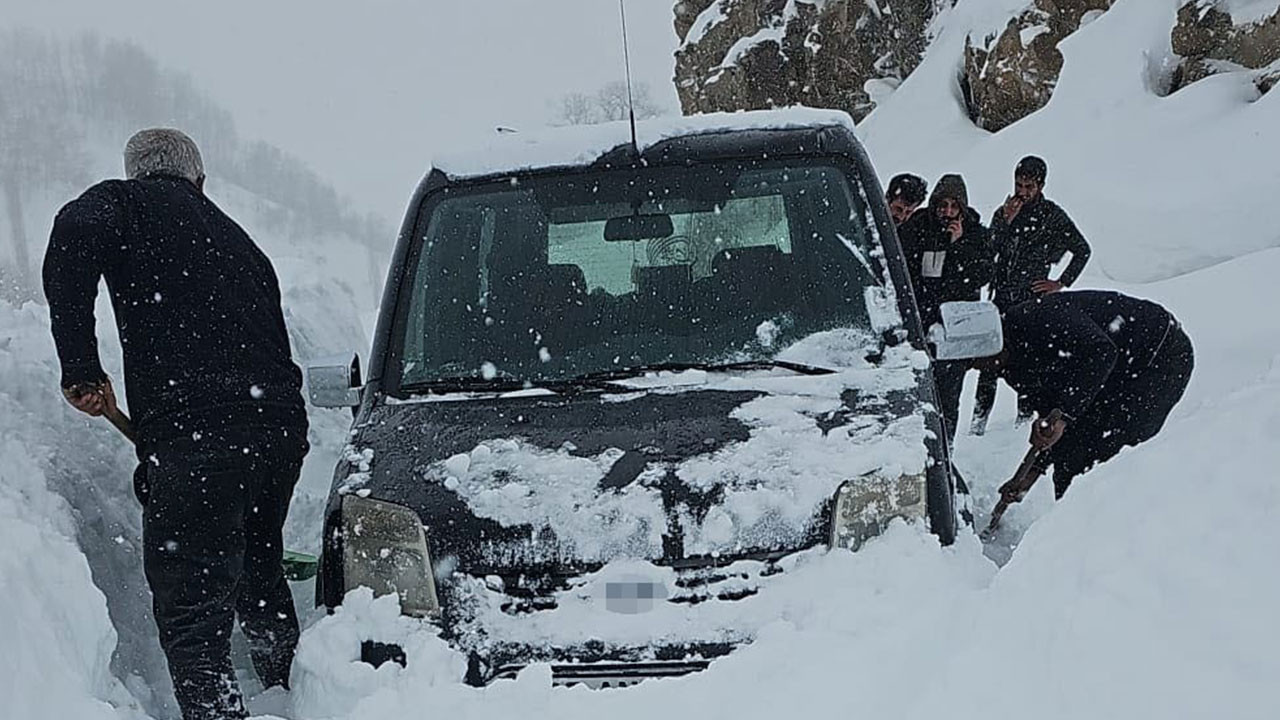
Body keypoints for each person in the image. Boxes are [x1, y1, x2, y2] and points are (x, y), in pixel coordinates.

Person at [42, 129, 309, 720]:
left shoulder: (125, 204)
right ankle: (296, 690)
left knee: (192, 607)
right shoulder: (240, 241)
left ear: (137, 174)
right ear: (201, 180)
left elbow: (72, 234)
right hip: (279, 430)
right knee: (257, 568)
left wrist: (81, 366)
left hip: (199, 437)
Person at [974, 290, 1193, 501]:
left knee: (1111, 457)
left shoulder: (1038, 319)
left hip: (1158, 354)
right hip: (1111, 371)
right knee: (1072, 459)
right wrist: (1031, 473)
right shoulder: (1011, 367)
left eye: (979, 360)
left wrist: (1063, 416)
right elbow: (1055, 420)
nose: (978, 368)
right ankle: (1073, 524)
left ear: (995, 341)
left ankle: (1110, 526)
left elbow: (1102, 352)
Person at [972, 155, 1092, 435]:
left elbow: (1082, 249)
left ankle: (1022, 424)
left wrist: (1060, 282)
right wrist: (1004, 222)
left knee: (1027, 364)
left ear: (1041, 185)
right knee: (989, 362)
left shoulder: (1052, 215)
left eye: (1029, 186)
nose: (1022, 192)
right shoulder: (1005, 211)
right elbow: (989, 251)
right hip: (1001, 298)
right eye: (1019, 185)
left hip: (1032, 301)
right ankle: (977, 425)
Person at [898, 173, 994, 444]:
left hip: (955, 329)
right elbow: (903, 264)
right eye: (943, 205)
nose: (948, 212)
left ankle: (945, 449)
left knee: (948, 398)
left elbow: (982, 273)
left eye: (954, 206)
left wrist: (958, 246)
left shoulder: (975, 232)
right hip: (920, 322)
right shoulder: (918, 226)